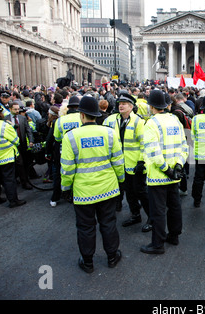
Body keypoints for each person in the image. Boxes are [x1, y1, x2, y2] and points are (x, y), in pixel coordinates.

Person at [60, 96, 124, 273]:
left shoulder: (70, 137)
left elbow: (67, 168)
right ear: (96, 115)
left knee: (86, 226)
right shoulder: (110, 133)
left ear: (81, 115)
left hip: (83, 191)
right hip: (108, 188)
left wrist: (66, 188)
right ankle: (112, 256)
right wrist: (121, 180)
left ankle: (88, 262)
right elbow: (118, 161)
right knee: (108, 223)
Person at [140, 90, 188, 254]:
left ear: (152, 106)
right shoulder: (175, 120)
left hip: (159, 176)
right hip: (175, 173)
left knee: (158, 211)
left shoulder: (151, 123)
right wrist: (179, 166)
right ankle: (174, 236)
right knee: (174, 206)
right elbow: (184, 145)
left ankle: (157, 243)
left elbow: (153, 152)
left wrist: (166, 170)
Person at [103, 91, 151, 232]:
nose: (121, 106)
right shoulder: (113, 120)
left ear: (131, 106)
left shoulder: (138, 121)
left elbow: (144, 143)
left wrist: (142, 161)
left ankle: (152, 218)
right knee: (129, 192)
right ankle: (135, 214)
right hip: (121, 164)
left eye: (124, 104)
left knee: (141, 192)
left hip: (136, 164)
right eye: (119, 104)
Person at [52, 95, 82, 207]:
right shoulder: (82, 118)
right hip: (80, 150)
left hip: (64, 151)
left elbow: (57, 138)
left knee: (65, 171)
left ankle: (65, 191)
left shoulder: (60, 121)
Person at [4, 102, 34, 190]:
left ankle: (24, 181)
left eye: (18, 109)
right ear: (10, 109)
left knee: (23, 163)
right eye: (15, 109)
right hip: (11, 145)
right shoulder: (5, 119)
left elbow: (28, 130)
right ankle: (21, 180)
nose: (17, 111)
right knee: (17, 164)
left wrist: (31, 141)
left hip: (22, 144)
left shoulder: (22, 118)